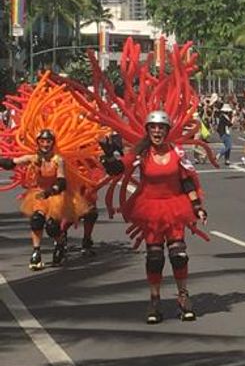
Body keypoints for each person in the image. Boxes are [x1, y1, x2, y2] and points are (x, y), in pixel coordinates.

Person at [106, 110, 208, 323]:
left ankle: (183, 297)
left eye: (161, 127)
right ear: (147, 130)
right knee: (155, 257)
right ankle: (154, 300)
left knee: (178, 255)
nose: (157, 131)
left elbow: (186, 181)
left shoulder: (177, 152)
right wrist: (108, 158)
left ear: (167, 131)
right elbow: (118, 168)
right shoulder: (141, 153)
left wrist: (197, 206)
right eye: (152, 127)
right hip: (150, 208)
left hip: (174, 206)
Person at [0, 129, 88, 269]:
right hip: (39, 194)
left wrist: (51, 191)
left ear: (53, 143)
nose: (45, 144)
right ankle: (36, 252)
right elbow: (12, 162)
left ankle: (59, 244)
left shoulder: (58, 160)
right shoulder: (33, 158)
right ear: (38, 143)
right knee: (36, 220)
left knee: (52, 227)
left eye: (48, 141)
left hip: (55, 195)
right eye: (42, 141)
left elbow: (61, 181)